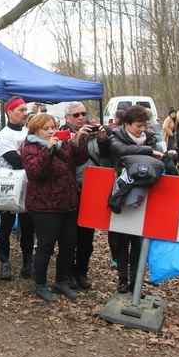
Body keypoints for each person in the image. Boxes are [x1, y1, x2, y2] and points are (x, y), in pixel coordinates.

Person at [108, 105, 176, 293]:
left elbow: (158, 158)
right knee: (121, 240)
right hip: (122, 195)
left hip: (146, 198)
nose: (141, 129)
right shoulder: (117, 137)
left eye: (143, 125)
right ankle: (122, 278)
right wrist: (148, 152)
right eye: (138, 125)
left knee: (138, 241)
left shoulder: (151, 138)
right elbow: (120, 150)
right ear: (127, 124)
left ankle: (135, 280)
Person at [22, 113, 89, 302]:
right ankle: (40, 284)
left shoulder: (63, 143)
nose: (51, 131)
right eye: (46, 128)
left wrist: (77, 144)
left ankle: (61, 281)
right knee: (46, 246)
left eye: (53, 127)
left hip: (67, 203)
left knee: (69, 244)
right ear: (35, 130)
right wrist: (48, 150)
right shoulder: (30, 148)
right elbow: (36, 172)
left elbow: (80, 160)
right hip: (44, 205)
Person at [59, 101, 110, 290]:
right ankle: (68, 273)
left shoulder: (94, 134)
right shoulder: (61, 135)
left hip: (92, 188)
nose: (81, 118)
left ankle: (82, 272)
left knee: (87, 237)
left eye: (83, 114)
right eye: (76, 115)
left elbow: (108, 156)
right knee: (68, 235)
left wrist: (103, 139)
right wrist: (77, 140)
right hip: (71, 189)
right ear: (67, 118)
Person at [0, 96, 35, 280]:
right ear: (10, 112)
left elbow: (31, 157)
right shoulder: (4, 135)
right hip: (9, 184)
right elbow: (15, 160)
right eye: (21, 110)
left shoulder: (29, 132)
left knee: (28, 227)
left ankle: (28, 264)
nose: (25, 113)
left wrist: (24, 154)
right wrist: (28, 155)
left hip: (28, 184)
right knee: (6, 226)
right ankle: (5, 263)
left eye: (26, 109)